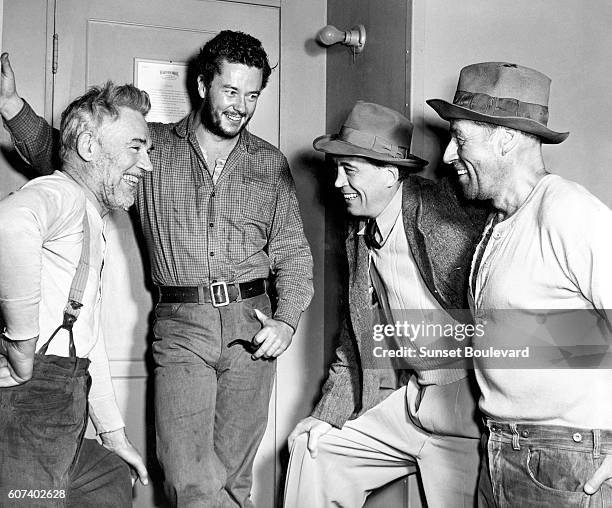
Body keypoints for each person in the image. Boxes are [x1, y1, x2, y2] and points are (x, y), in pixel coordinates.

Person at [0, 29, 313, 508]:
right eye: (231, 91)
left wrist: (288, 320)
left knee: (235, 480)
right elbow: (67, 156)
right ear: (205, 85)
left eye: (252, 95)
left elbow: (292, 250)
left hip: (255, 324)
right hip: (183, 324)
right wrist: (12, 108)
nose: (241, 106)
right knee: (188, 477)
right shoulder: (153, 150)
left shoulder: (269, 162)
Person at [284, 101, 487, 507]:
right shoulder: (360, 233)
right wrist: (326, 414)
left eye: (351, 169)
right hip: (414, 403)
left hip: (466, 415)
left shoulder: (443, 213)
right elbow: (354, 339)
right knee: (315, 448)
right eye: (337, 168)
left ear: (391, 175)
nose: (338, 181)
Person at [428, 61, 612, 507]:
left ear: (506, 138)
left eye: (461, 138)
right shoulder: (498, 221)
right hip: (502, 447)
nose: (449, 154)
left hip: (564, 458)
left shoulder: (567, 210)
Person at [0, 82, 152, 507]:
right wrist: (22, 344)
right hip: (31, 408)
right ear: (88, 146)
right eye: (135, 148)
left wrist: (114, 434)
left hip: (62, 407)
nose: (148, 164)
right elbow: (9, 225)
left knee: (109, 480)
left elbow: (86, 340)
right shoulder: (62, 194)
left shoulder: (89, 217)